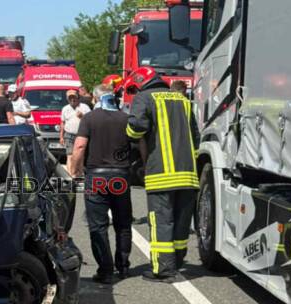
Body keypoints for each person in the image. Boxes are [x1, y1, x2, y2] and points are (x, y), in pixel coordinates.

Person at [124, 67, 200, 283]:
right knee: (181, 222)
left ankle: (163, 269)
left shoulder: (144, 98)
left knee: (161, 222)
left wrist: (130, 135)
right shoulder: (183, 101)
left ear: (140, 82)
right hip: (188, 175)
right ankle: (176, 262)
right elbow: (195, 138)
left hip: (161, 174)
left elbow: (136, 128)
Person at [68, 85, 133, 283]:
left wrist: (75, 170)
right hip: (120, 176)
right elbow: (141, 145)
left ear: (96, 99)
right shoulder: (125, 118)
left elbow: (79, 146)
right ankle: (122, 266)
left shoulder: (89, 118)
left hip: (96, 176)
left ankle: (105, 270)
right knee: (123, 224)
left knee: (98, 226)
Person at [60, 89, 91, 164]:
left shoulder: (85, 107)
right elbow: (62, 122)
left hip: (81, 135)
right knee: (70, 156)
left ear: (78, 97)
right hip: (69, 135)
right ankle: (70, 174)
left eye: (74, 97)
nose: (72, 99)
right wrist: (61, 136)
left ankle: (78, 172)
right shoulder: (65, 108)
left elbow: (91, 121)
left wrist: (82, 116)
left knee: (79, 155)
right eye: (70, 98)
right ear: (67, 99)